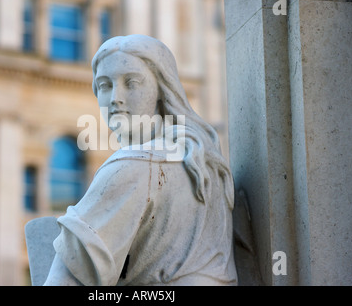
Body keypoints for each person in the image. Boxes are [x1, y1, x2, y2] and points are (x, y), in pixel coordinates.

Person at [43, 34, 237, 286]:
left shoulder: (133, 165)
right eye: (104, 85)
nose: (115, 98)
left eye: (131, 82)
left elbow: (66, 280)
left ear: (161, 88)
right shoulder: (206, 163)